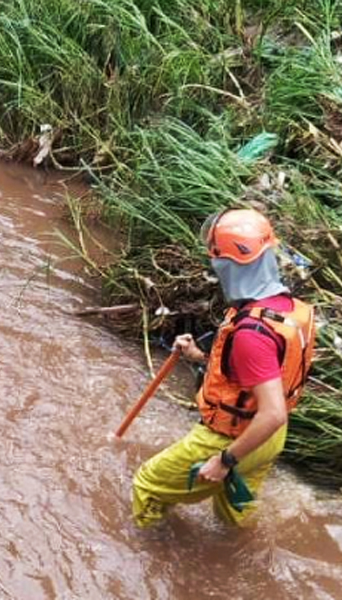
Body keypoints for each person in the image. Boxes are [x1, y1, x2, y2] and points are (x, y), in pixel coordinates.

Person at [132, 209, 316, 527]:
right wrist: (198, 356)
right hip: (269, 440)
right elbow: (257, 377)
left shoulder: (251, 333)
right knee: (234, 516)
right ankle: (236, 561)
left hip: (233, 439)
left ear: (228, 265)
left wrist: (224, 460)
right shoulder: (290, 310)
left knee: (148, 485)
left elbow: (272, 412)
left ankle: (143, 555)